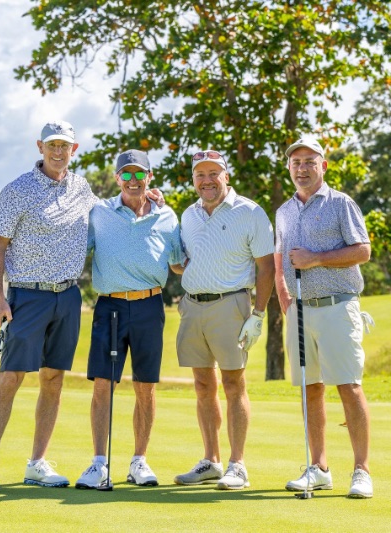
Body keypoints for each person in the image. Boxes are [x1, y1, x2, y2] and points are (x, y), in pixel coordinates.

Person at [0, 121, 163, 491]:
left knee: (53, 378)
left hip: (68, 297)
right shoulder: (17, 190)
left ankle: (37, 463)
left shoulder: (81, 188)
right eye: (52, 145)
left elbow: (114, 210)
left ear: (74, 150)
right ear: (40, 147)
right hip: (26, 295)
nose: (58, 152)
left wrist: (149, 197)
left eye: (65, 146)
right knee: (11, 376)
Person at [74, 149, 185, 490]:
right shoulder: (100, 212)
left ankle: (139, 461)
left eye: (140, 174)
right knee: (103, 384)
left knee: (145, 386)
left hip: (150, 306)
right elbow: (77, 249)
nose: (133, 180)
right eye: (127, 174)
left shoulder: (167, 216)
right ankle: (98, 463)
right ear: (117, 177)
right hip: (110, 306)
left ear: (150, 177)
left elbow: (179, 263)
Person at [274, 135, 374, 499]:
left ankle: (361, 471)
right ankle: (319, 469)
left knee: (348, 385)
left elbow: (362, 251)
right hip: (300, 311)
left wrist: (315, 258)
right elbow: (279, 260)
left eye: (309, 162)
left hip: (337, 305)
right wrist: (286, 302)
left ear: (323, 166)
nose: (302, 169)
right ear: (289, 168)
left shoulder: (341, 203)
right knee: (310, 389)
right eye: (296, 163)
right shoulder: (283, 211)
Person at [173, 149, 275, 490]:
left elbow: (266, 267)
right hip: (192, 307)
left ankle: (237, 464)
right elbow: (184, 261)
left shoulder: (250, 211)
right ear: (194, 180)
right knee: (203, 385)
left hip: (231, 305)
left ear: (226, 176)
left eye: (213, 173)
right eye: (200, 175)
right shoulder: (189, 214)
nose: (207, 180)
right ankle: (211, 461)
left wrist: (258, 314)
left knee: (233, 384)